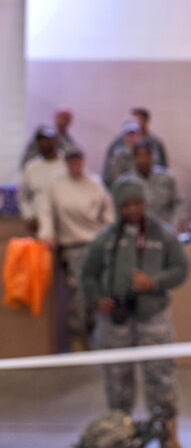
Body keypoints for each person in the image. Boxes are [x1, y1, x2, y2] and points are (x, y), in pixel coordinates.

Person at [80, 178, 189, 447]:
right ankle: (119, 435)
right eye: (126, 204)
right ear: (117, 207)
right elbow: (87, 274)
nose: (132, 209)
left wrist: (153, 282)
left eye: (137, 203)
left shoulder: (162, 235)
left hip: (153, 320)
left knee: (161, 380)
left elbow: (181, 269)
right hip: (114, 323)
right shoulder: (105, 239)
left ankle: (169, 436)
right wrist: (97, 299)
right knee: (117, 384)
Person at [39, 148, 113, 350]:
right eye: (71, 161)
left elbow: (108, 214)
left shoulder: (95, 183)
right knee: (78, 292)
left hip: (95, 243)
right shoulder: (57, 184)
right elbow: (46, 211)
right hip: (71, 244)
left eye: (78, 161)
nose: (75, 165)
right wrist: (47, 234)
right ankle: (77, 335)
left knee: (97, 290)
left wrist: (112, 236)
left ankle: (93, 332)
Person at [121, 140, 184, 232]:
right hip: (135, 230)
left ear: (153, 157)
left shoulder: (167, 178)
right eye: (139, 155)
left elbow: (178, 203)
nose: (143, 159)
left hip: (165, 229)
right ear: (134, 158)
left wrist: (176, 223)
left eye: (147, 155)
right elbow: (119, 209)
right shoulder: (126, 182)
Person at [17, 125, 67, 236]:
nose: (45, 143)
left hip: (66, 224)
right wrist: (29, 216)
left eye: (49, 139)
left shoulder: (67, 165)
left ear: (56, 140)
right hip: (40, 224)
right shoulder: (31, 168)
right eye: (41, 140)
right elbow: (23, 197)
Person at [103, 108, 169, 173]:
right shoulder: (117, 143)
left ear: (146, 121)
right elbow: (108, 167)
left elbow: (162, 166)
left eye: (138, 120)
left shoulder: (155, 143)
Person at [101, 118, 143, 188]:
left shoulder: (146, 154)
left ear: (139, 135)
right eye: (129, 135)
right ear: (124, 136)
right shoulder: (119, 156)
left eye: (134, 134)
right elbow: (115, 179)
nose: (132, 138)